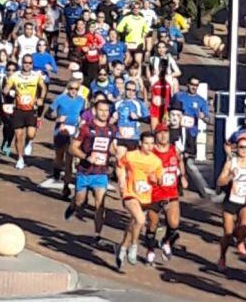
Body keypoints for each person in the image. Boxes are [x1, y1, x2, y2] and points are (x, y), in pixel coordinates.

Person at [66, 96, 117, 246]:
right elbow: (72, 148)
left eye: (106, 111)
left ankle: (97, 234)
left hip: (101, 173)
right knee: (81, 201)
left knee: (100, 204)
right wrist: (86, 157)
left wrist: (117, 155)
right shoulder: (86, 128)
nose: (103, 113)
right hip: (85, 171)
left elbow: (112, 148)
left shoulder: (112, 129)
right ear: (94, 111)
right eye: (101, 110)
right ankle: (73, 204)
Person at [114, 130, 163, 269]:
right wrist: (122, 180)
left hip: (145, 196)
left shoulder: (156, 161)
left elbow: (160, 180)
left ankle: (122, 247)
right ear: (140, 143)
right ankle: (134, 247)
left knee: (133, 223)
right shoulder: (130, 156)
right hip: (130, 193)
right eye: (146, 143)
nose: (149, 146)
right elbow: (120, 166)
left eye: (152, 144)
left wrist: (156, 180)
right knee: (140, 220)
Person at [216, 134, 246, 268]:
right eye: (241, 147)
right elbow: (219, 181)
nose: (244, 150)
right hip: (231, 200)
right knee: (228, 234)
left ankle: (240, 241)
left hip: (245, 200)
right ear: (236, 148)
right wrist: (230, 176)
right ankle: (222, 256)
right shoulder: (231, 163)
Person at [145, 123, 187, 263]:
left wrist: (182, 176)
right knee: (152, 223)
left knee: (174, 224)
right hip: (154, 193)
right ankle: (150, 250)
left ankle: (166, 242)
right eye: (160, 133)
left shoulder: (174, 150)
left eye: (166, 133)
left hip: (171, 192)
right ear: (156, 135)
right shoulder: (151, 152)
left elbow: (180, 162)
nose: (163, 136)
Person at [5, 54, 46, 169]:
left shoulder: (36, 76)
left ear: (32, 64)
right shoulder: (15, 76)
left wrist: (41, 98)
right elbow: (6, 88)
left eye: (30, 63)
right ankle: (20, 158)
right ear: (21, 63)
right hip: (18, 109)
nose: (27, 65)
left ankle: (28, 142)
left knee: (31, 134)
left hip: (31, 109)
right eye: (25, 62)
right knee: (18, 135)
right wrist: (9, 92)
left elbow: (43, 87)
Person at [48, 79, 87, 196]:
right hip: (60, 131)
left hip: (74, 131)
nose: (73, 91)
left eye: (76, 89)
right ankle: (56, 169)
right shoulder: (60, 99)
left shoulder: (82, 101)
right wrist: (57, 119)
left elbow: (83, 115)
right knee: (59, 156)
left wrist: (82, 122)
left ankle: (66, 187)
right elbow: (47, 113)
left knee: (69, 161)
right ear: (67, 88)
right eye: (71, 88)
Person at [112, 80, 148, 148]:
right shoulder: (117, 103)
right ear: (124, 89)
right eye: (128, 89)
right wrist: (114, 118)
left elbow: (147, 119)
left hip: (134, 137)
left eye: (133, 90)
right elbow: (110, 120)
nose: (131, 92)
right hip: (120, 136)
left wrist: (137, 117)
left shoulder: (139, 104)